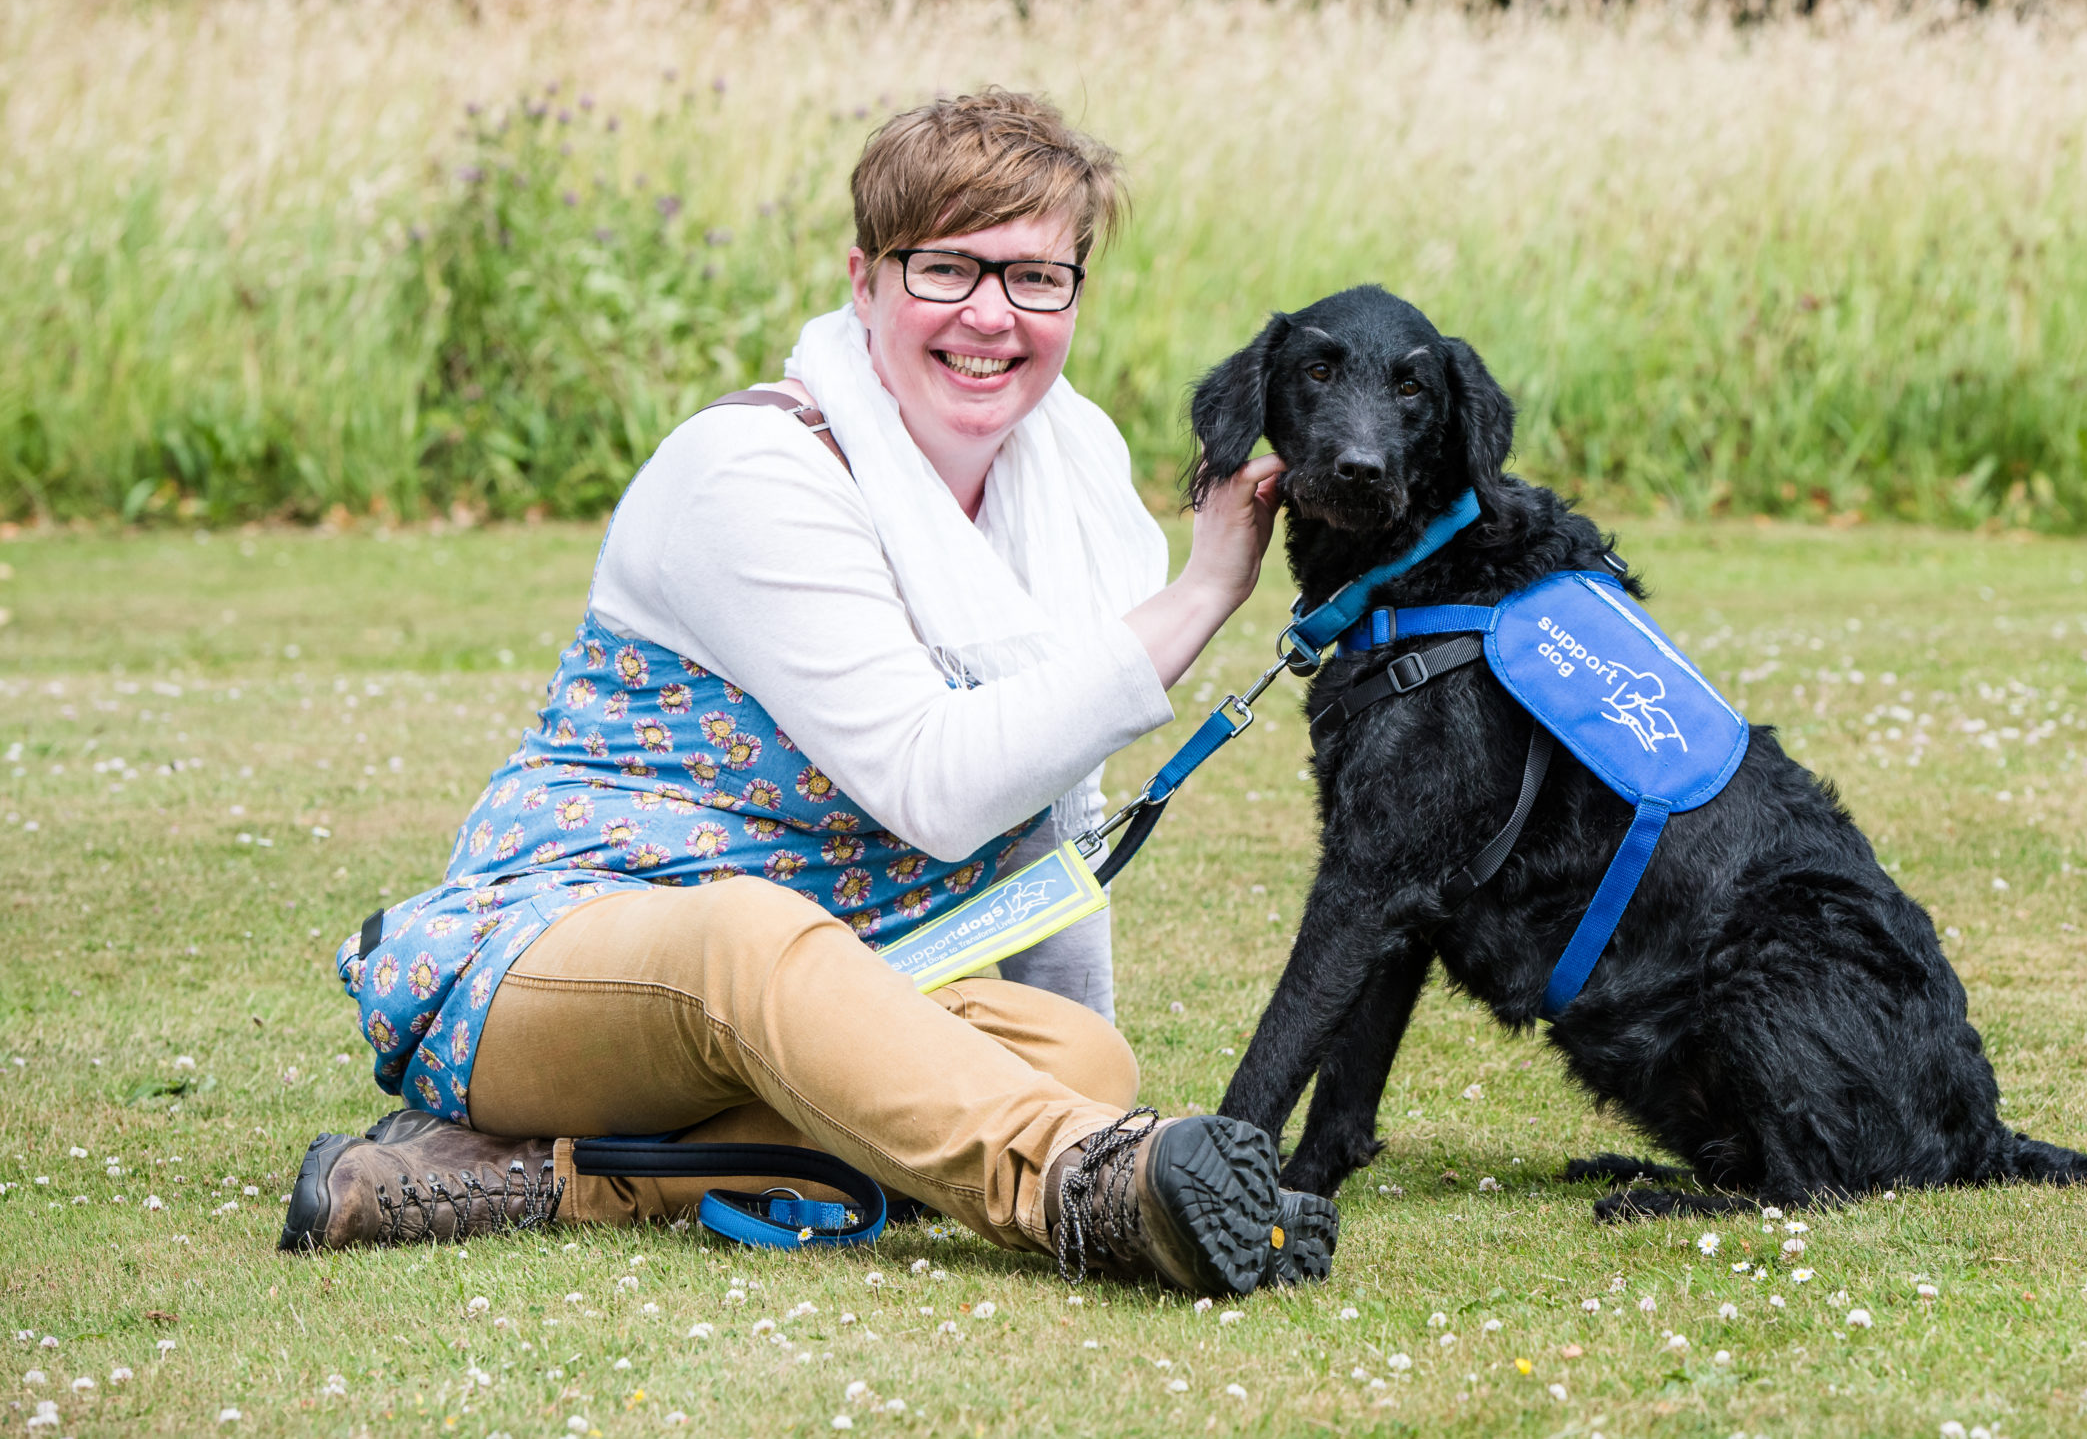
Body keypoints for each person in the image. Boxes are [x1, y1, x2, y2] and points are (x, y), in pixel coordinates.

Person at [279, 90, 1332, 1295]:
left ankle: (542, 1178)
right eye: (948, 268)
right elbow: (938, 788)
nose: (992, 314)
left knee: (1072, 1051)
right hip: (565, 957)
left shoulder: (1067, 473)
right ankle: (1078, 1186)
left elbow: (1051, 809)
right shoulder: (752, 469)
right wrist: (1199, 597)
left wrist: (1065, 1073)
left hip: (851, 972)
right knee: (754, 931)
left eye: (1037, 278)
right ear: (865, 279)